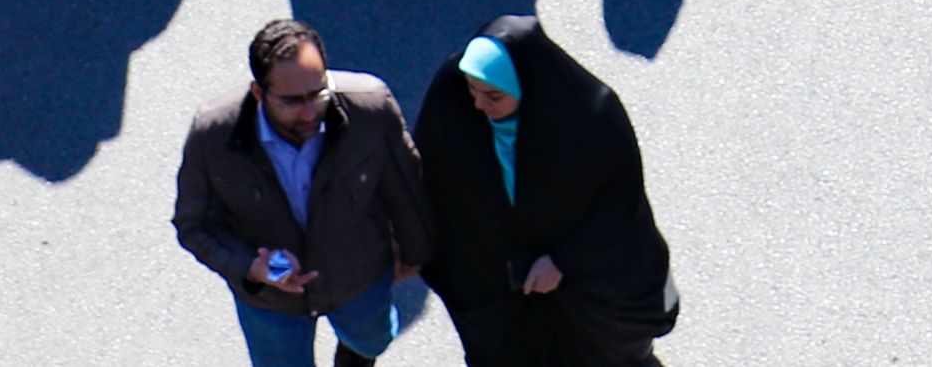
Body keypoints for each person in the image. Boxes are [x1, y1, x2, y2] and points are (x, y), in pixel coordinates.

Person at [413, 21, 679, 367]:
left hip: (587, 298)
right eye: (472, 90)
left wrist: (564, 260)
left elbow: (619, 211)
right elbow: (428, 187)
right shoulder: (454, 112)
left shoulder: (592, 121)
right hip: (503, 302)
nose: (478, 105)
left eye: (494, 95)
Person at [174, 20, 434, 366]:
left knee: (371, 342)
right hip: (271, 302)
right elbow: (195, 224)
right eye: (292, 101)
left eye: (318, 93)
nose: (310, 112)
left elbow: (405, 186)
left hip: (359, 278)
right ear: (258, 93)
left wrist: (413, 251)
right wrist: (251, 267)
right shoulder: (213, 135)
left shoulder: (369, 108)